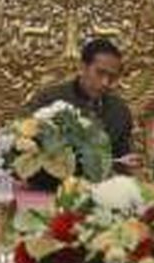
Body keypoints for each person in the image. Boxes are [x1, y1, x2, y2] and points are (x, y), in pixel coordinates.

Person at [25, 38, 139, 172]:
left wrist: (128, 162)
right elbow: (27, 151)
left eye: (112, 77)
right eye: (100, 73)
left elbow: (123, 159)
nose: (105, 83)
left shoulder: (120, 111)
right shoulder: (48, 99)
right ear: (83, 68)